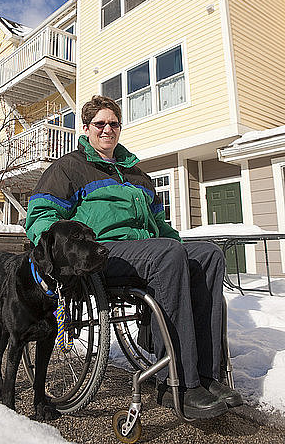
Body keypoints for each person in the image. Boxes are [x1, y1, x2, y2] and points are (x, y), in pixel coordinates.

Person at [26, 95, 242, 419]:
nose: (108, 129)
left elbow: (162, 226)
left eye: (113, 123)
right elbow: (42, 217)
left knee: (207, 255)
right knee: (167, 254)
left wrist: (185, 252)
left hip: (150, 248)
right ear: (85, 128)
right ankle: (178, 383)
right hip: (103, 253)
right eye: (100, 124)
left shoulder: (137, 173)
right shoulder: (68, 169)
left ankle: (209, 376)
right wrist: (58, 257)